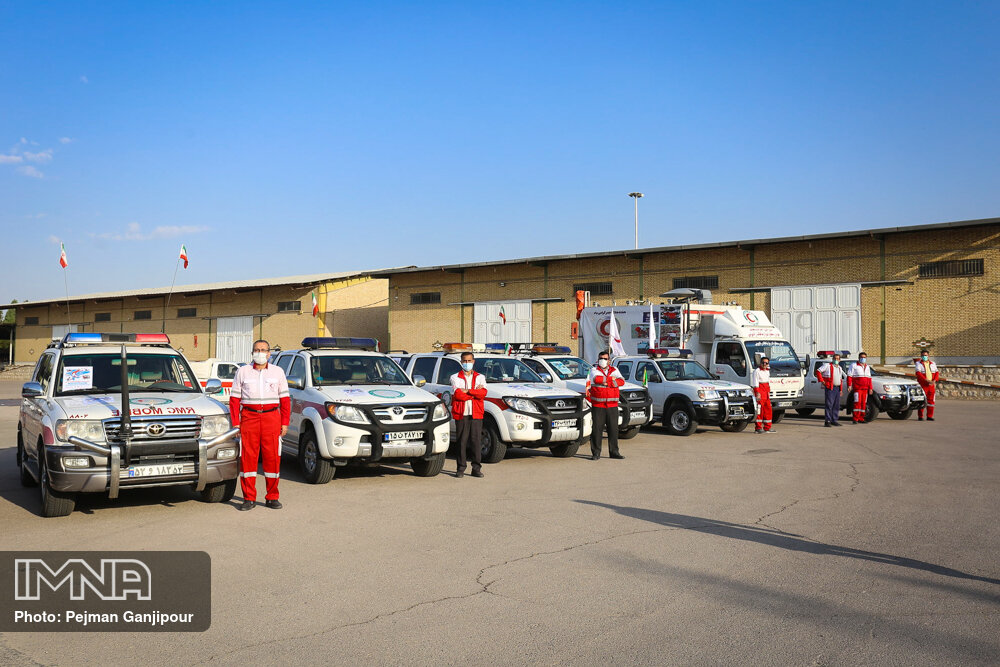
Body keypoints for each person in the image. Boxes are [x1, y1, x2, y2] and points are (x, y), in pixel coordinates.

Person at [229, 339, 290, 511]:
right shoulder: (243, 372)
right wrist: (236, 424)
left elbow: (285, 400)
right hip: (249, 418)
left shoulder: (278, 372)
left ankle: (272, 497)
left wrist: (284, 423)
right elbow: (234, 401)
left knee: (273, 459)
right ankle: (249, 498)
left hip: (272, 418)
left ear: (269, 353)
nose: (260, 353)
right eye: (257, 350)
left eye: (263, 350)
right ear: (252, 353)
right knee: (248, 460)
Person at [450, 351, 488, 478]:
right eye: (464, 361)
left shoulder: (480, 377)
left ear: (473, 361)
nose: (467, 363)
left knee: (476, 441)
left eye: (469, 361)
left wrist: (467, 391)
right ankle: (461, 468)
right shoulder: (455, 377)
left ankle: (476, 468)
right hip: (462, 413)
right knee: (462, 441)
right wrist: (474, 392)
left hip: (476, 413)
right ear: (461, 362)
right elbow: (458, 395)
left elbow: (483, 393)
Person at [586, 351, 626, 460]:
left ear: (609, 360)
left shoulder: (615, 370)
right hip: (598, 405)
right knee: (597, 430)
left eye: (604, 358)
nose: (602, 360)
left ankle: (614, 452)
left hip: (612, 405)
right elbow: (597, 379)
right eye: (600, 358)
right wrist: (612, 379)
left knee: (613, 429)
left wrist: (608, 382)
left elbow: (622, 381)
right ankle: (596, 453)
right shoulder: (594, 370)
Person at [816, 353, 846, 427]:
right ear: (832, 359)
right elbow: (818, 371)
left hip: (837, 388)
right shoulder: (827, 366)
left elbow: (840, 379)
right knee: (829, 405)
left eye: (837, 359)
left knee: (836, 405)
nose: (836, 360)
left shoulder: (839, 368)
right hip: (830, 388)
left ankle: (834, 420)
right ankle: (827, 421)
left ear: (839, 360)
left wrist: (841, 390)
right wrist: (822, 381)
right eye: (834, 358)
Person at [847, 352, 873, 424]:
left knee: (863, 404)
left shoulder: (867, 367)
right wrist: (849, 385)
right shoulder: (854, 365)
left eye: (864, 357)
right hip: (857, 389)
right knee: (857, 403)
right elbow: (849, 376)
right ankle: (855, 419)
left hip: (865, 389)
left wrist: (870, 388)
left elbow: (869, 378)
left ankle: (861, 418)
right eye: (862, 357)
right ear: (859, 358)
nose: (863, 359)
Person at [750, 357, 774, 433]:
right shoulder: (757, 371)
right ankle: (758, 428)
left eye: (766, 363)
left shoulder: (767, 371)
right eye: (763, 362)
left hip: (766, 392)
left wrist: (768, 392)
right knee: (760, 411)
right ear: (760, 363)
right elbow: (755, 383)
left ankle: (767, 427)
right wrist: (757, 393)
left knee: (768, 410)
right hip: (760, 392)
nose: (764, 364)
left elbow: (768, 382)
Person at [915, 350, 939, 421]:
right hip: (923, 385)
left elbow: (937, 373)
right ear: (921, 356)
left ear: (928, 356)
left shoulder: (933, 363)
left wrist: (934, 380)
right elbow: (918, 374)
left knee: (931, 401)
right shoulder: (918, 363)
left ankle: (929, 416)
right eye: (923, 355)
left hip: (931, 385)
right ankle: (920, 416)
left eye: (925, 355)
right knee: (922, 400)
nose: (924, 357)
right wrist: (926, 380)